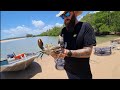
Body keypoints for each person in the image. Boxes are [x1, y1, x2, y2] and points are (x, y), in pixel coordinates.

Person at [51, 11, 96, 79]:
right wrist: (55, 54)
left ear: (74, 13)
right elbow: (60, 48)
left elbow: (88, 52)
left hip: (83, 74)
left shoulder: (86, 26)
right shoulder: (63, 31)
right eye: (62, 16)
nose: (65, 17)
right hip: (68, 70)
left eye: (67, 14)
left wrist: (67, 52)